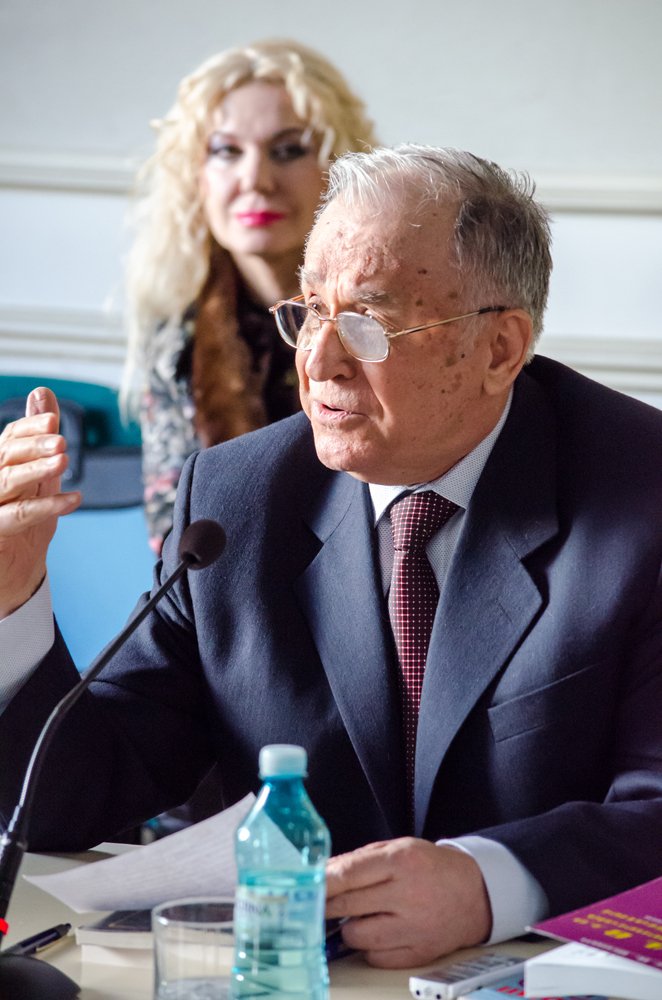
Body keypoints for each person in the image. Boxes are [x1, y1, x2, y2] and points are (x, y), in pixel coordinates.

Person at [1, 145, 662, 970]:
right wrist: (13, 599)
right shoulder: (239, 499)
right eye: (310, 311)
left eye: (368, 323)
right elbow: (76, 798)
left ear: (498, 350)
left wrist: (489, 884)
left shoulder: (642, 499)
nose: (317, 362)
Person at [121, 38, 376, 555]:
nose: (256, 180)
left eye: (288, 150)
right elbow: (175, 538)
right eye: (226, 151)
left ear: (339, 166)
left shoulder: (389, 315)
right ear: (195, 177)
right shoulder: (175, 331)